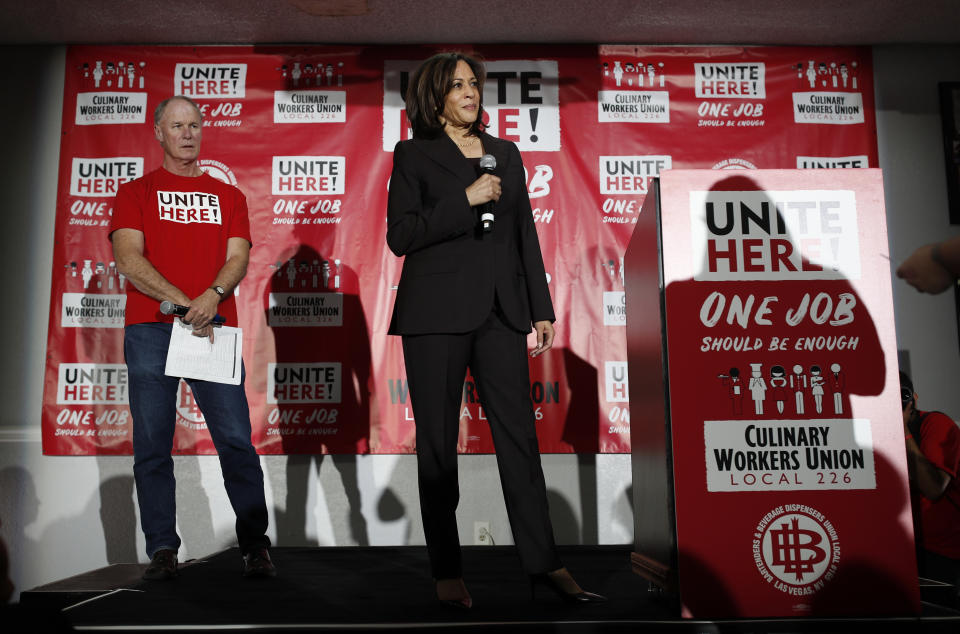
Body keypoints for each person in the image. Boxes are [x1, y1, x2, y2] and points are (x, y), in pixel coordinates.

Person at [386, 52, 604, 608]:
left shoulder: (505, 154)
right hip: (434, 315)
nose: (470, 92)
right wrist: (465, 200)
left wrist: (542, 307)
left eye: (473, 84)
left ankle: (544, 563)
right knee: (437, 446)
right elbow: (401, 235)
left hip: (502, 312)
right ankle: (447, 571)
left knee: (520, 441)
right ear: (434, 97)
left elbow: (524, 235)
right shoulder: (412, 155)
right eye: (457, 85)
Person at [110, 96, 275, 580]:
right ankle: (162, 549)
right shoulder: (135, 192)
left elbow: (238, 258)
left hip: (211, 331)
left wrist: (214, 295)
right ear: (158, 132)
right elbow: (129, 260)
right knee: (153, 446)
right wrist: (188, 303)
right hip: (152, 331)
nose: (187, 133)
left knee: (235, 441)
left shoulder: (230, 196)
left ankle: (254, 546)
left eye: (194, 125)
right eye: (177, 125)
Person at [900, 371, 960, 599]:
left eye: (903, 396)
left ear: (914, 398)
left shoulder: (935, 424)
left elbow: (933, 488)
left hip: (942, 554)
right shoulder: (873, 430)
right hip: (906, 548)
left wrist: (903, 430)